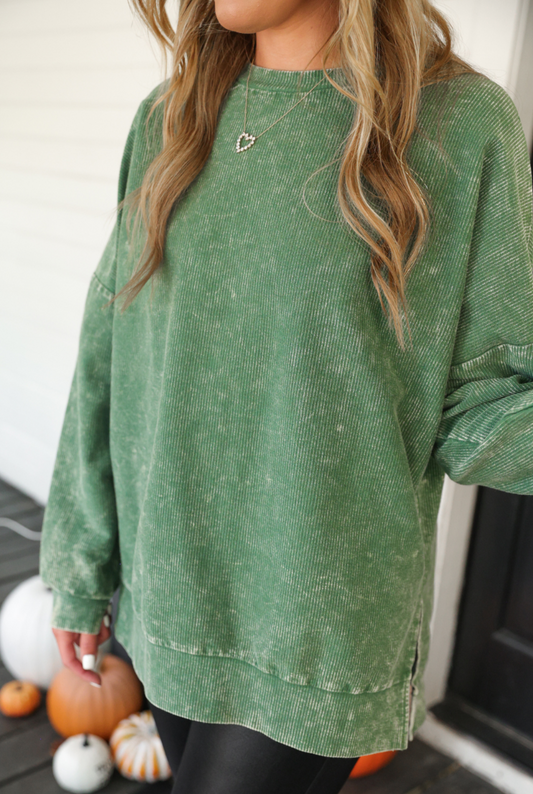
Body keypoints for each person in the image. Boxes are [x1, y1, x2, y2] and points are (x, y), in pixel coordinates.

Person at [39, 0, 533, 791]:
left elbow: (480, 402)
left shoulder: (456, 125)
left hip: (315, 627)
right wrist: (79, 565)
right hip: (170, 591)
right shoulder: (168, 118)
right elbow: (109, 352)